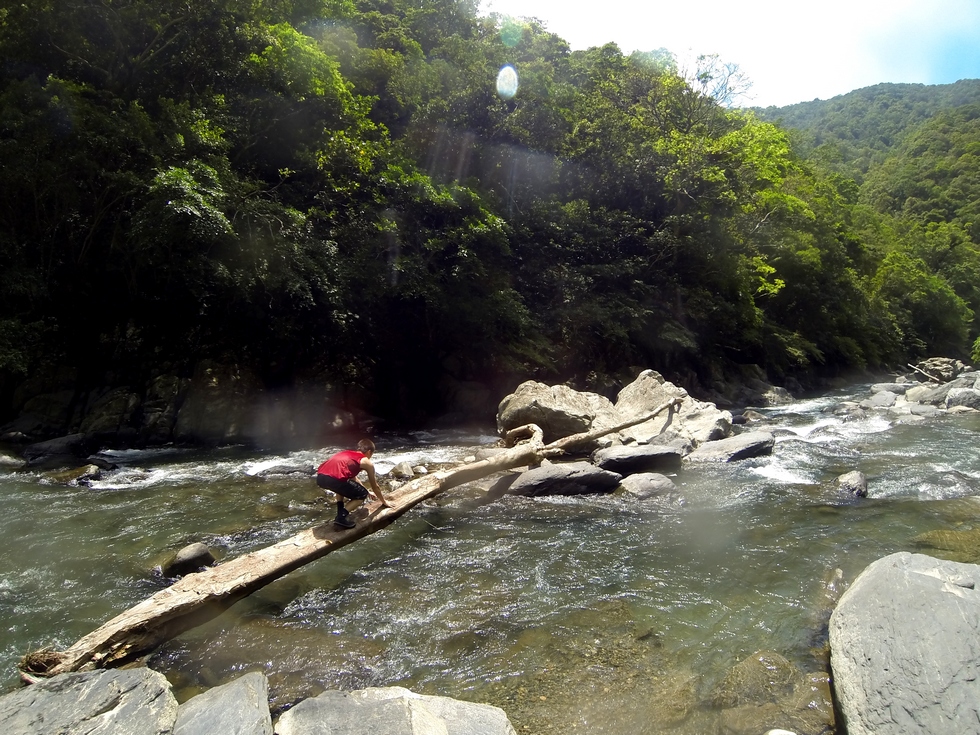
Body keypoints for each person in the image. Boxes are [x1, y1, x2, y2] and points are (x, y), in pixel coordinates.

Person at [316, 438, 391, 528]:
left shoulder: (346, 453)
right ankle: (341, 517)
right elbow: (375, 487)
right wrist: (384, 502)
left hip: (320, 478)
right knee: (361, 495)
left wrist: (367, 491)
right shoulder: (366, 461)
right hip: (335, 480)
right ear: (369, 452)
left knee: (341, 485)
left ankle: (340, 513)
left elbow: (353, 478)